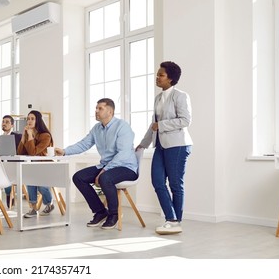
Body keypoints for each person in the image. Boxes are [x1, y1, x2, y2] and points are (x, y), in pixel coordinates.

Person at [54, 98, 137, 229]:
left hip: (126, 167)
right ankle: (100, 212)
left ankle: (113, 215)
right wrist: (65, 151)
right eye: (96, 108)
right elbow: (84, 144)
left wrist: (105, 170)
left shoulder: (122, 126)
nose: (96, 111)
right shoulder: (97, 128)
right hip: (106, 166)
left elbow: (123, 154)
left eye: (100, 108)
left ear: (110, 111)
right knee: (78, 177)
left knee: (105, 178)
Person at [136, 61, 192, 235]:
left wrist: (162, 124)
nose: (157, 77)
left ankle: (174, 221)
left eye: (161, 75)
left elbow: (185, 120)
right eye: (157, 74)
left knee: (175, 184)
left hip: (178, 145)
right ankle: (172, 218)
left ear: (171, 78)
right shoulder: (158, 98)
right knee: (158, 181)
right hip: (160, 145)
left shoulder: (180, 96)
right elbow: (154, 126)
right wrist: (143, 143)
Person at [18, 110, 55, 218]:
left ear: (38, 120)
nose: (29, 121)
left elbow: (33, 152)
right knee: (30, 182)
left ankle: (49, 204)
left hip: (44, 166)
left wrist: (30, 136)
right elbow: (20, 152)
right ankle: (33, 208)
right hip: (32, 166)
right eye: (28, 119)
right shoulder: (28, 133)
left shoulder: (46, 136)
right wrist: (24, 137)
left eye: (32, 119)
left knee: (42, 186)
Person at [1, 115, 22, 208]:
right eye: (3, 122)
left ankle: (9, 194)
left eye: (7, 122)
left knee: (6, 174)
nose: (4, 124)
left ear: (12, 125)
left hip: (14, 165)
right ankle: (8, 194)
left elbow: (21, 150)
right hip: (3, 165)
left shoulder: (18, 136)